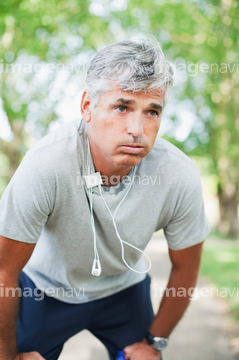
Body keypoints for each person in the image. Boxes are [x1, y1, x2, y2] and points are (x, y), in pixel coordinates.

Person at [0, 38, 210, 360]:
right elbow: (3, 272)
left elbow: (185, 267)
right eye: (122, 107)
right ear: (87, 107)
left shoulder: (178, 175)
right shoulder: (46, 165)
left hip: (123, 289)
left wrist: (155, 343)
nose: (137, 129)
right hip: (46, 289)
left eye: (152, 111)